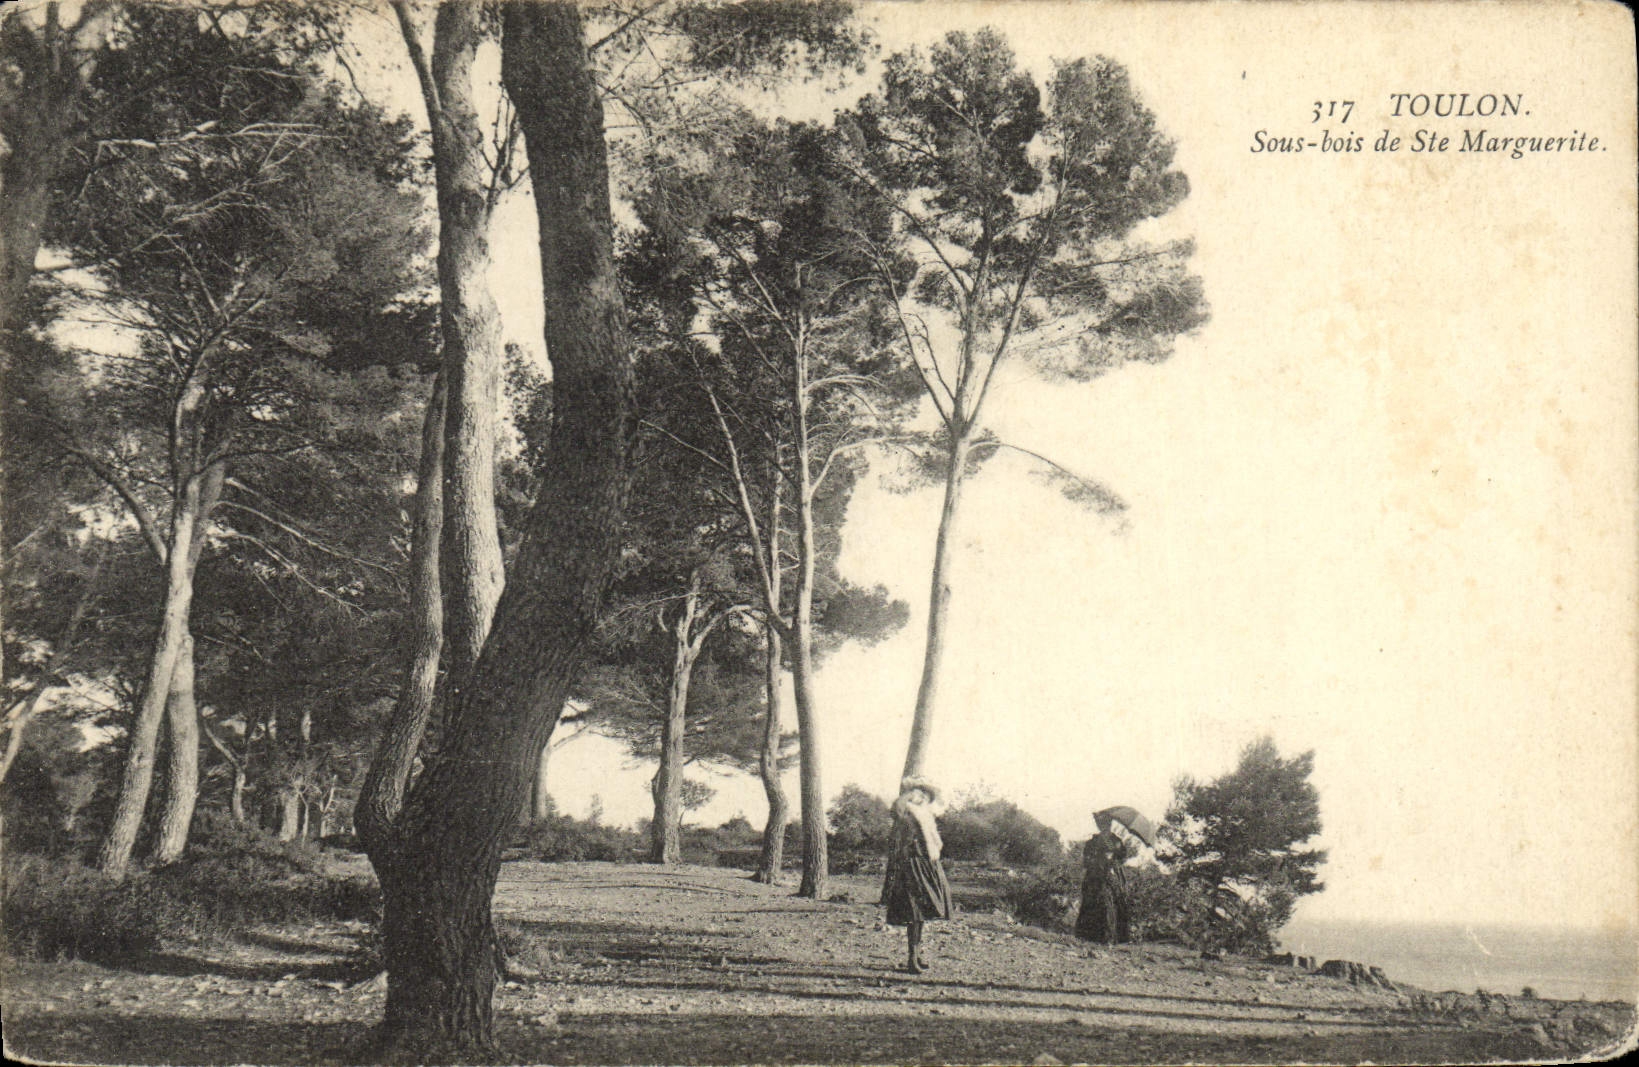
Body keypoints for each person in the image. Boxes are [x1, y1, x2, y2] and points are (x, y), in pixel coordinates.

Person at [881, 776, 953, 974]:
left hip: (927, 864)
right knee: (914, 913)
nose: (924, 797)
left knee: (921, 914)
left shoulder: (926, 815)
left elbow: (934, 842)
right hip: (912, 864)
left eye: (926, 794)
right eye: (921, 793)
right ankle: (912, 959)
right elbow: (895, 810)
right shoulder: (907, 811)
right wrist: (908, 795)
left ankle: (917, 954)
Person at [1074, 828, 1131, 943]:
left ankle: (1112, 936)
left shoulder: (1116, 841)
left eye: (1107, 822)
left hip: (1111, 873)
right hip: (1095, 875)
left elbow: (1122, 857)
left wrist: (1113, 854)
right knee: (1093, 901)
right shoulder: (1093, 841)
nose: (1104, 825)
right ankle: (1089, 935)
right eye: (1101, 823)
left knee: (1114, 902)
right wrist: (1098, 859)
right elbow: (1086, 860)